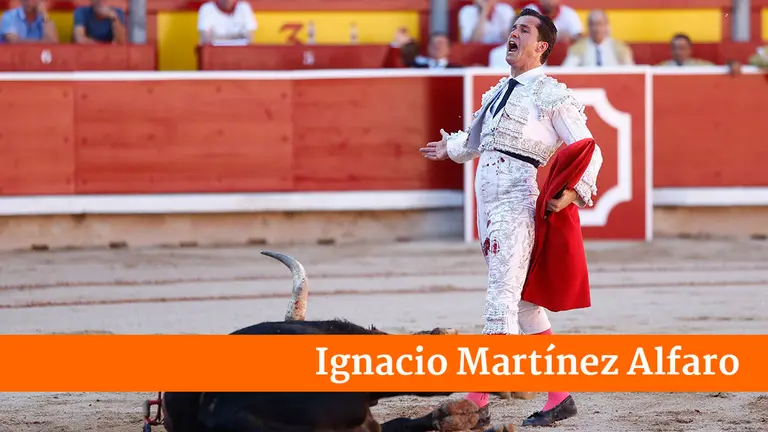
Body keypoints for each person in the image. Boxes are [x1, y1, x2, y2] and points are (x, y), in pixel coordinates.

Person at [419, 7, 602, 428]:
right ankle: (560, 397)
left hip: (516, 203)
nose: (513, 34)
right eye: (513, 28)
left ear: (541, 46)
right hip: (488, 205)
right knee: (523, 306)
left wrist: (572, 193)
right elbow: (474, 143)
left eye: (524, 30)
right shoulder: (500, 90)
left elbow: (589, 149)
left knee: (500, 299)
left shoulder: (550, 93)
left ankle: (478, 401)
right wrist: (448, 148)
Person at [561, 9, 633, 67]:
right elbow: (567, 70)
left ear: (606, 26)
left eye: (599, 24)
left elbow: (630, 71)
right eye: (592, 24)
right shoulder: (578, 48)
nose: (596, 28)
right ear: (588, 27)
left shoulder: (619, 48)